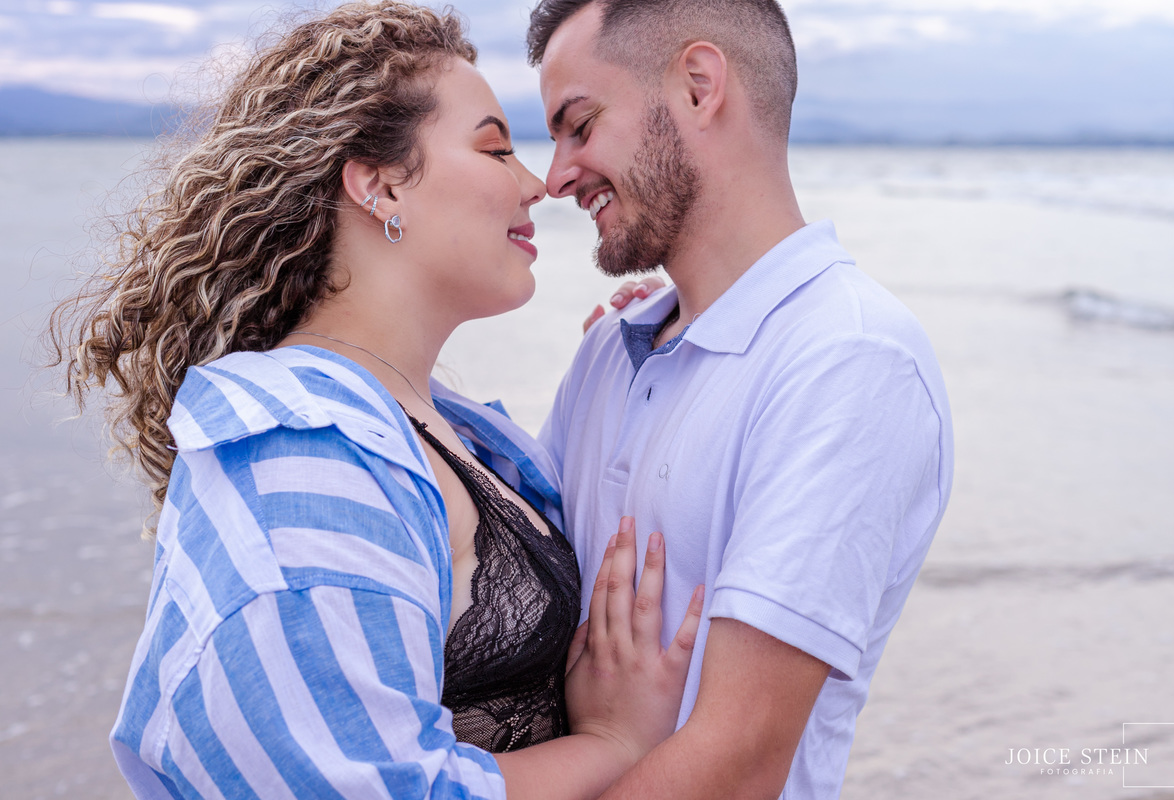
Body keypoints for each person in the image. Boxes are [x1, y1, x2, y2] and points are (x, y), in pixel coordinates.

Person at [48, 3, 702, 798]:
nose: (536, 184)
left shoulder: (444, 430)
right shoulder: (302, 454)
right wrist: (615, 739)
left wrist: (645, 356)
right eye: (495, 147)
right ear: (380, 183)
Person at [526, 1, 955, 798]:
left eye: (579, 125)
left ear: (697, 86)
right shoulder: (607, 354)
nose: (554, 178)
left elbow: (741, 762)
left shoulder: (848, 358)